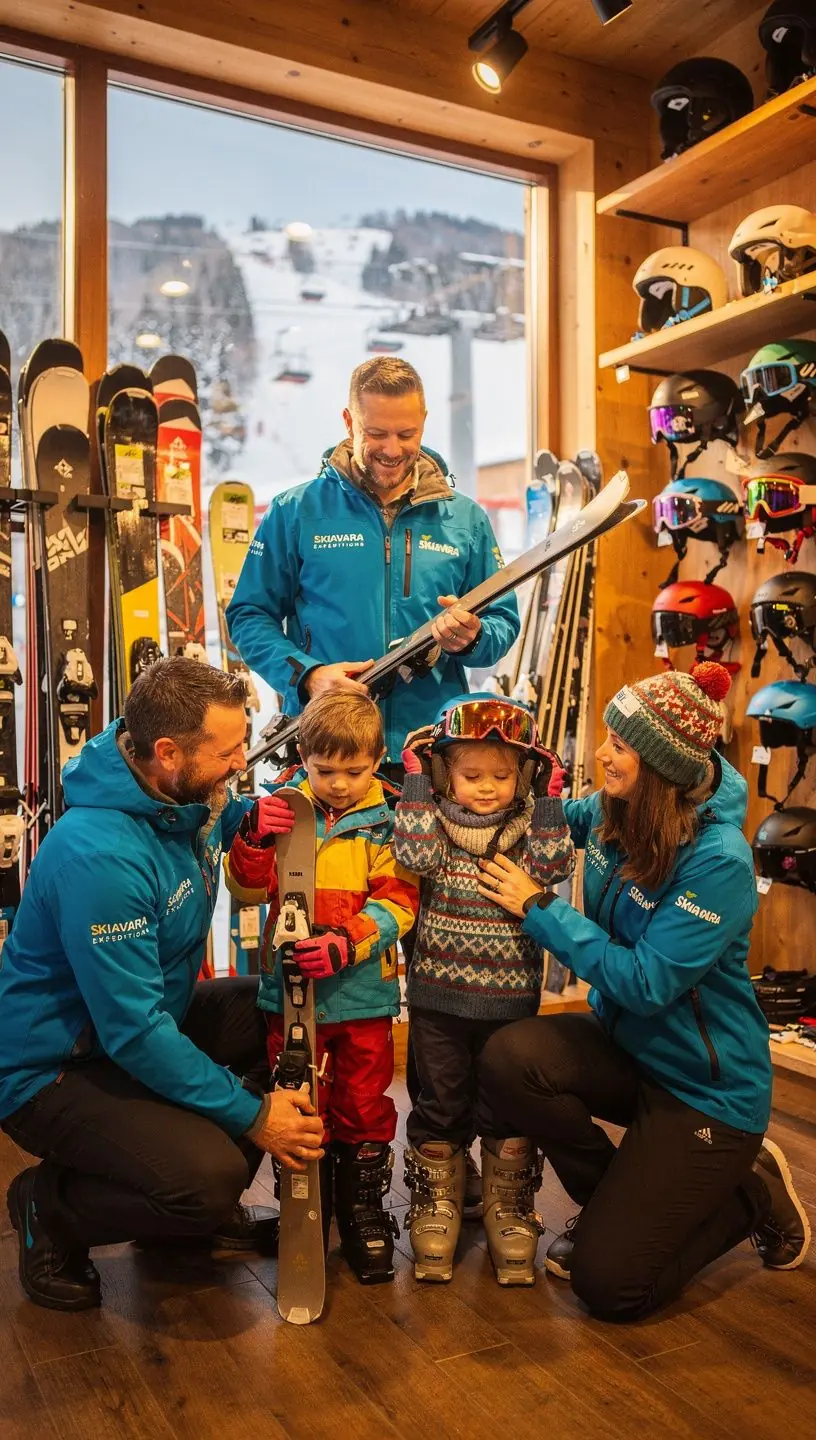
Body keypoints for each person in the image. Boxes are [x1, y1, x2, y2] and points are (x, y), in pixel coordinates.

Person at [476, 661, 811, 1322]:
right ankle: (618, 1206)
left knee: (611, 1288)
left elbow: (649, 982)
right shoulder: (613, 809)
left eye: (620, 746)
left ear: (660, 767)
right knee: (509, 1060)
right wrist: (458, 794)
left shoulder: (718, 862)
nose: (601, 754)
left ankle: (750, 1196)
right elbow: (545, 817)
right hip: (631, 1051)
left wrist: (541, 907)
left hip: (705, 1092)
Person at [0, 658, 324, 1313]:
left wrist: (250, 822)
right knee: (208, 1179)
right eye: (228, 750)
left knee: (263, 1009)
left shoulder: (185, 793)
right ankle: (49, 1207)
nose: (242, 761)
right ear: (167, 753)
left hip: (135, 1028)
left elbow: (209, 827)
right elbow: (134, 1032)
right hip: (54, 1069)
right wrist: (258, 1119)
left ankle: (176, 1221)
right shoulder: (101, 857)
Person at [225, 355, 520, 765]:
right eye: (376, 433)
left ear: (424, 421)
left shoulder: (464, 520)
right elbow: (248, 615)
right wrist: (307, 675)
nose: (392, 449)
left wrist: (472, 639)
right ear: (349, 422)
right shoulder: (296, 512)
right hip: (328, 751)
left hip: (431, 750)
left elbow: (502, 623)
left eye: (406, 433)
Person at [226, 691, 419, 1285]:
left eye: (355, 771)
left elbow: (399, 902)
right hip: (290, 998)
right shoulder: (282, 807)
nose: (339, 784)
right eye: (323, 769)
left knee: (362, 1104)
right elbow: (247, 890)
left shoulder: (390, 819)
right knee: (297, 1100)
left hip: (362, 996)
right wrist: (255, 837)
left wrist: (347, 941)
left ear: (378, 757)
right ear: (302, 757)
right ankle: (300, 1204)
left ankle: (361, 1211)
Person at [392, 694, 575, 1286]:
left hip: (510, 1006)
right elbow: (412, 853)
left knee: (503, 1108)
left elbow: (553, 867)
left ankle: (507, 1206)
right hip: (438, 1002)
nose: (489, 787)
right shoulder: (436, 828)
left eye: (503, 775)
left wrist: (549, 798)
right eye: (471, 775)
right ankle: (437, 1204)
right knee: (442, 1103)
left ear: (522, 775)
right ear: (447, 773)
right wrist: (416, 785)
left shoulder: (526, 832)